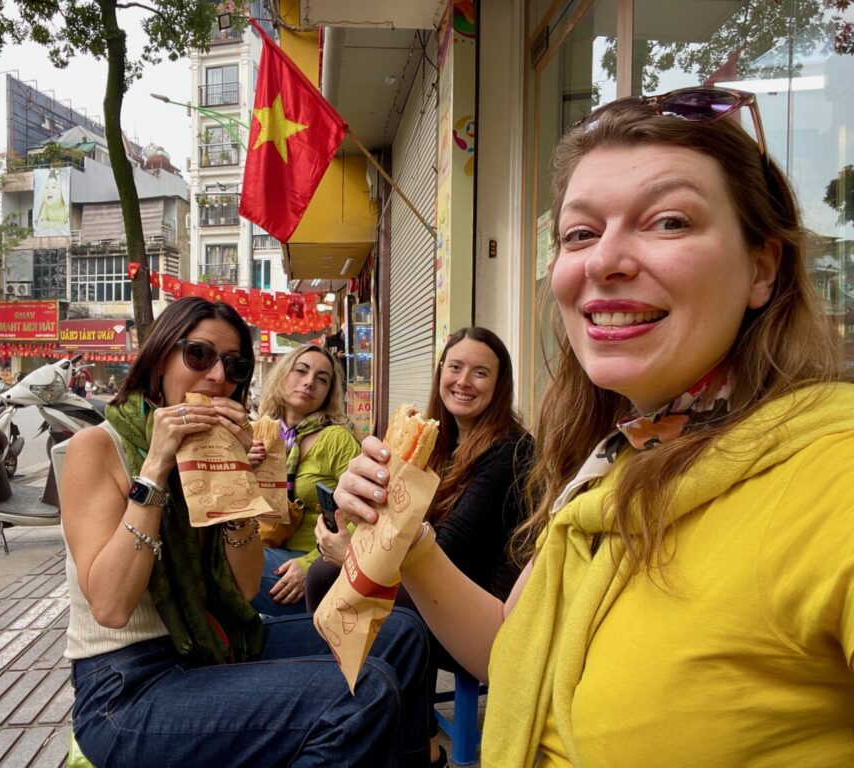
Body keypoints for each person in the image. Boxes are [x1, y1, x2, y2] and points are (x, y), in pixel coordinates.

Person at [335, 87, 854, 767]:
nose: (604, 261)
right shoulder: (611, 463)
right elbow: (516, 653)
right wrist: (410, 540)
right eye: (580, 233)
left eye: (668, 221)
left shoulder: (830, 476)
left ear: (761, 267)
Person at [59, 297, 432, 767]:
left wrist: (237, 485)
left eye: (233, 366)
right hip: (127, 687)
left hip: (216, 645)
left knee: (400, 633)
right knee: (362, 693)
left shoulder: (214, 450)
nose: (216, 377)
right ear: (159, 359)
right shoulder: (97, 447)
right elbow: (111, 607)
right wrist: (155, 469)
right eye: (199, 355)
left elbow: (246, 585)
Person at [307, 326, 534, 767]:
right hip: (431, 583)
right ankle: (364, 704)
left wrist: (354, 554)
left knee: (371, 594)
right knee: (324, 573)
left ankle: (420, 741)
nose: (464, 381)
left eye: (480, 372)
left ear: (499, 384)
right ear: (440, 375)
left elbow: (450, 551)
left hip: (482, 609)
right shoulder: (437, 446)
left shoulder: (510, 451)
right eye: (455, 367)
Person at [247, 343, 360, 616]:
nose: (309, 382)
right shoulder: (260, 433)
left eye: (322, 379)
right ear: (282, 375)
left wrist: (310, 565)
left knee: (220, 565)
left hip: (318, 566)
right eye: (301, 371)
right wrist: (242, 470)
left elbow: (368, 517)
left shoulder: (336, 439)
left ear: (328, 393)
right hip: (268, 546)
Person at [34, 169, 70, 235]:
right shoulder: (45, 207)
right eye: (46, 187)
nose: (49, 191)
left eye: (54, 187)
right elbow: (40, 222)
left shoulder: (66, 208)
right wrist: (55, 224)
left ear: (62, 191)